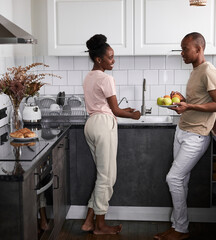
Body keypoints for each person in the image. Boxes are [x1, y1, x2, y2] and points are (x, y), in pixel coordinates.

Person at [154, 32, 216, 240]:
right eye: (182, 48)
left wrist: (190, 105)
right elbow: (201, 100)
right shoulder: (196, 70)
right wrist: (184, 101)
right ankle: (177, 227)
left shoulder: (208, 71)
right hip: (183, 130)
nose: (182, 53)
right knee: (181, 181)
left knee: (173, 178)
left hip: (197, 135)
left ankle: (181, 229)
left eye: (185, 49)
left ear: (199, 49)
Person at [81, 34, 141, 235]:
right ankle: (100, 226)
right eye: (110, 57)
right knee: (107, 178)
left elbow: (105, 106)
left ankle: (89, 221)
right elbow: (115, 110)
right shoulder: (106, 78)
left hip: (91, 124)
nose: (113, 60)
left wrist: (127, 111)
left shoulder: (89, 77)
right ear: (99, 59)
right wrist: (133, 115)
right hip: (103, 125)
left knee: (102, 176)